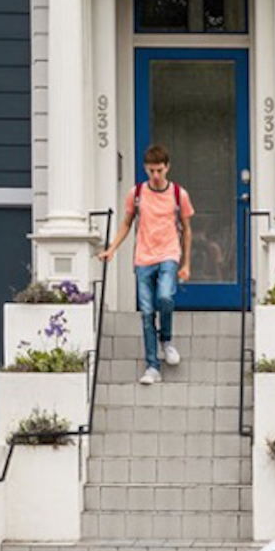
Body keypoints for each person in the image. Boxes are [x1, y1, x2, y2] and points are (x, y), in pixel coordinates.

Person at [98, 143, 194, 385]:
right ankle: (153, 367)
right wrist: (112, 248)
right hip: (143, 258)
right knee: (147, 313)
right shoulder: (137, 193)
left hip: (169, 254)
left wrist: (186, 264)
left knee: (165, 298)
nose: (156, 175)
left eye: (159, 170)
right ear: (145, 168)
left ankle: (167, 340)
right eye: (151, 170)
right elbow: (126, 223)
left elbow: (187, 230)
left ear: (167, 167)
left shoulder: (178, 194)